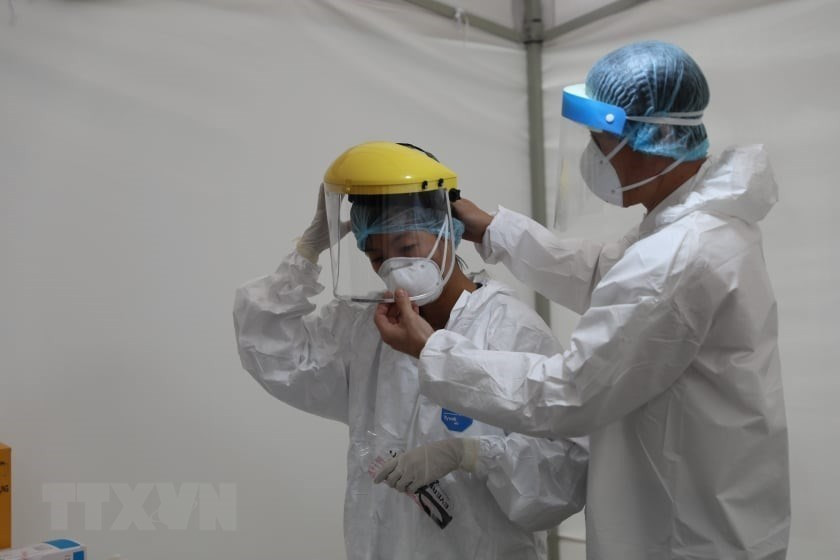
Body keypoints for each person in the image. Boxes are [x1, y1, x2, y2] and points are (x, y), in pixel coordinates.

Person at [374, 42, 790, 560]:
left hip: (686, 536)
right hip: (708, 510)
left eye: (600, 143)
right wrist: (494, 230)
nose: (592, 159)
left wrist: (433, 351)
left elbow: (569, 394)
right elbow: (606, 274)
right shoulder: (691, 229)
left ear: (654, 140)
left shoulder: (679, 258)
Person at [233, 142, 587, 560]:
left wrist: (472, 455)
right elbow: (270, 349)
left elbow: (564, 474)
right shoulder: (367, 326)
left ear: (446, 231)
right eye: (376, 255)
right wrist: (307, 251)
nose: (391, 268)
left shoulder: (509, 329)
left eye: (406, 248)